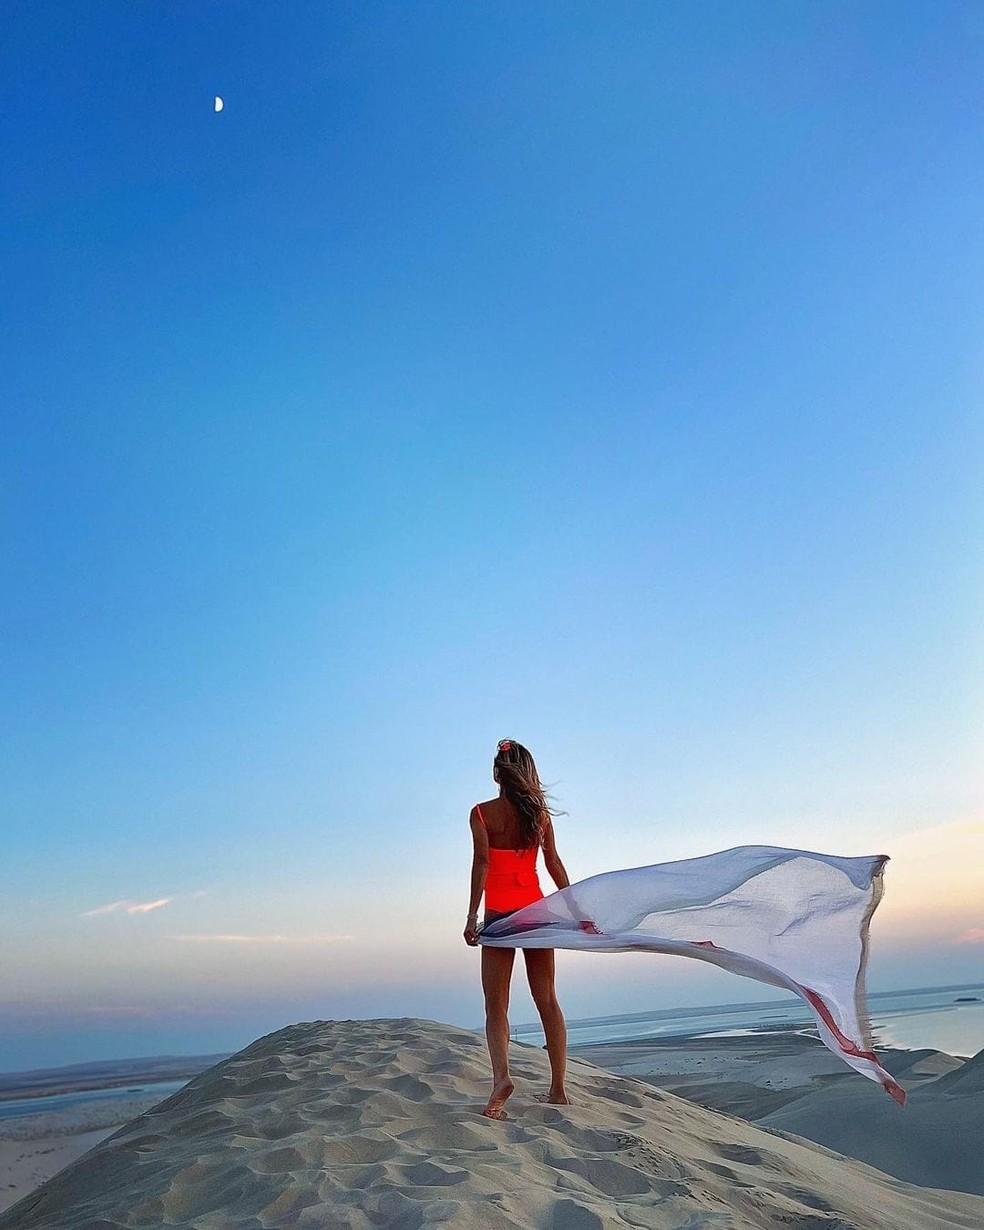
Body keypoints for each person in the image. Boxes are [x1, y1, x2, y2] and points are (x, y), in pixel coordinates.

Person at [463, 738, 572, 1118]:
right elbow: (554, 865)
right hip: (537, 914)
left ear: (497, 773)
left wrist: (471, 916)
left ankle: (501, 1079)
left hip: (499, 917)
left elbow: (482, 865)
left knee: (497, 1007)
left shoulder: (481, 813)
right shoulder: (538, 815)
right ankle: (558, 1088)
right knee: (547, 1000)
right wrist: (575, 907)